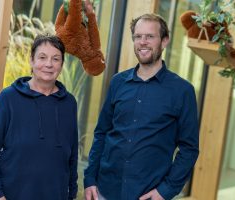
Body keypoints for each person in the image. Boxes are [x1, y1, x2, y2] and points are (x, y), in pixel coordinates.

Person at [84, 13, 199, 200]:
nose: (143, 42)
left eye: (150, 36)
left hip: (147, 195)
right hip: (105, 191)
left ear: (164, 41)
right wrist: (90, 178)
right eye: (138, 36)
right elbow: (102, 133)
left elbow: (189, 149)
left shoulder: (182, 91)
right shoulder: (118, 82)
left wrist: (166, 190)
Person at [0, 34, 78, 200]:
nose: (48, 64)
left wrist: (71, 195)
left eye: (55, 59)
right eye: (42, 57)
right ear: (31, 61)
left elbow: (72, 156)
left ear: (61, 64)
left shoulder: (69, 103)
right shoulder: (9, 98)